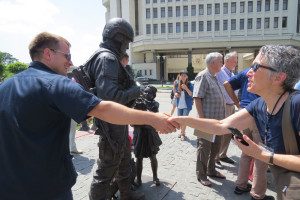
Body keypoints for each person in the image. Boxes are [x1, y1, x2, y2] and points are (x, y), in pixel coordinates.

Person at [0, 32, 178, 200]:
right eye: (67, 56)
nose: (71, 62)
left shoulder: (6, 86)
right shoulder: (56, 83)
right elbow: (104, 107)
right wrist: (153, 119)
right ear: (48, 53)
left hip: (9, 186)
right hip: (47, 187)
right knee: (105, 170)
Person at [171, 45, 300, 200]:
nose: (248, 72)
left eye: (256, 67)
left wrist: (263, 155)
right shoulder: (259, 104)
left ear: (278, 77)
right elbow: (220, 126)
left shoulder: (296, 104)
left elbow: (263, 154)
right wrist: (180, 120)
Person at [85, 18, 146, 200]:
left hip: (117, 121)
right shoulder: (107, 58)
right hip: (110, 124)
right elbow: (110, 96)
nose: (126, 47)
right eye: (126, 42)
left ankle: (127, 194)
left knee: (124, 162)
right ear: (117, 37)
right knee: (106, 170)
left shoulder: (107, 57)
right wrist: (136, 90)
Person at [224, 67, 269, 200]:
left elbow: (227, 84)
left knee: (246, 152)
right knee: (261, 155)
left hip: (244, 113)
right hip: (259, 114)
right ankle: (257, 194)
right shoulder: (266, 71)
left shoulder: (246, 71)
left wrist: (237, 103)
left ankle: (241, 185)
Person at [193, 52, 226, 187]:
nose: (222, 64)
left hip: (217, 123)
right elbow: (197, 98)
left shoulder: (214, 76)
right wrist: (202, 121)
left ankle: (211, 170)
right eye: (220, 61)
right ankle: (201, 175)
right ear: (213, 63)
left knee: (215, 148)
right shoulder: (203, 76)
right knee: (204, 149)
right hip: (206, 122)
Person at [132, 85, 162, 187]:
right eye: (145, 92)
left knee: (153, 156)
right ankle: (139, 179)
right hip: (139, 134)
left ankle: (155, 177)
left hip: (150, 135)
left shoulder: (154, 105)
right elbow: (132, 120)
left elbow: (153, 119)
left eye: (149, 93)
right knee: (138, 158)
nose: (146, 94)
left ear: (154, 95)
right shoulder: (137, 103)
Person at [215, 51, 237, 165]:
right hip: (224, 106)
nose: (236, 62)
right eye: (234, 60)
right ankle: (215, 156)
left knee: (229, 132)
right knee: (222, 131)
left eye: (236, 60)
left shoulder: (232, 74)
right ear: (227, 60)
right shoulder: (220, 72)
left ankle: (222, 154)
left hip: (232, 105)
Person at [175, 70, 193, 141]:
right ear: (179, 76)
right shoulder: (177, 84)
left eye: (184, 76)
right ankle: (181, 132)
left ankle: (183, 134)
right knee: (180, 120)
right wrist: (176, 94)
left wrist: (186, 88)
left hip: (186, 105)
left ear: (187, 77)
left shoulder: (190, 84)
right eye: (181, 75)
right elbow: (175, 93)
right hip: (179, 105)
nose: (183, 77)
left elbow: (191, 94)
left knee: (184, 120)